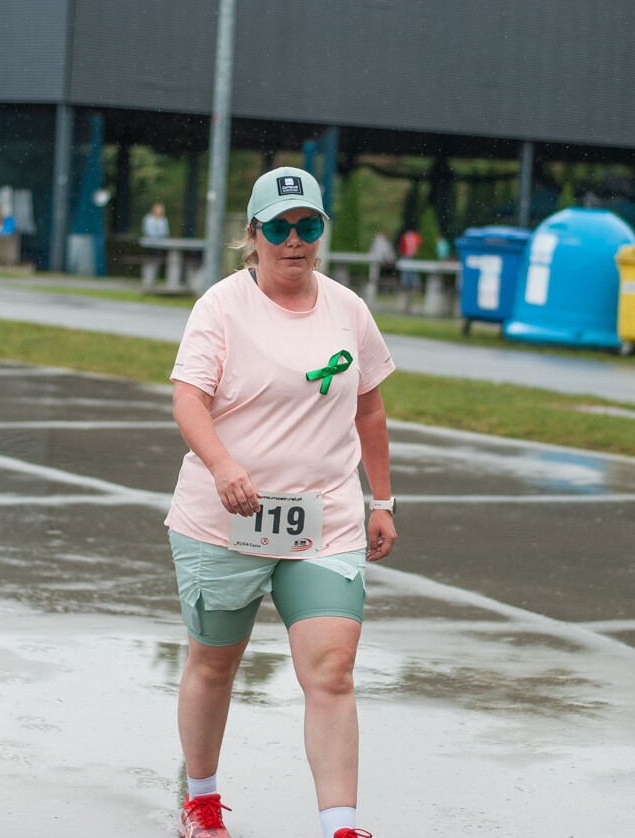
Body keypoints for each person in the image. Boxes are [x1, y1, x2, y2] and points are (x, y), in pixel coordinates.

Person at [165, 166, 396, 838]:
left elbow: (371, 409)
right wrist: (223, 464)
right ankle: (201, 803)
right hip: (224, 519)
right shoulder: (221, 307)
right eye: (279, 227)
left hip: (324, 516)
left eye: (308, 226)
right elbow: (188, 399)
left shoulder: (348, 308)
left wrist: (381, 500)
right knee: (214, 662)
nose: (294, 240)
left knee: (333, 669)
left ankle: (342, 827)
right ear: (253, 235)